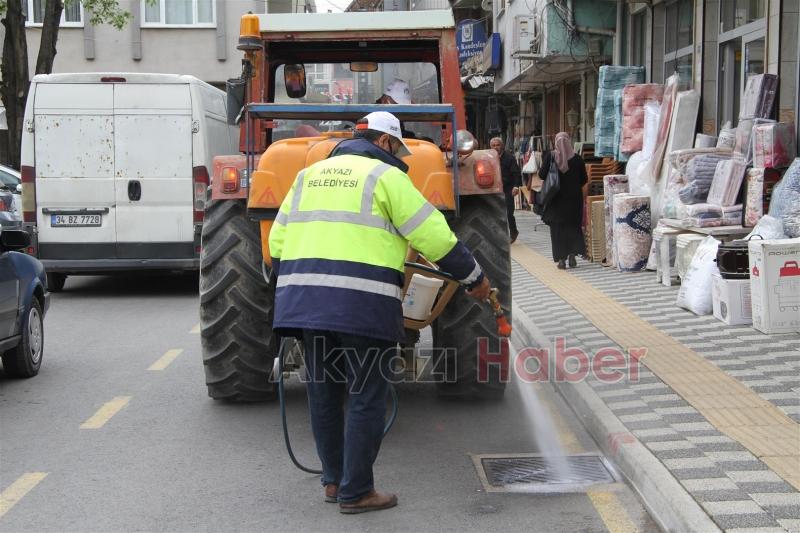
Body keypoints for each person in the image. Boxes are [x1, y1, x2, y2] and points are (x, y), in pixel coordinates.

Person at [268, 111, 491, 514]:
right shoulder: (386, 178)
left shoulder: (308, 176)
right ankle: (357, 492)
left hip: (304, 305)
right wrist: (474, 277)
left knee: (324, 391)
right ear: (385, 143)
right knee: (367, 397)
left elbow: (278, 243)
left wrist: (291, 294)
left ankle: (334, 482)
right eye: (397, 149)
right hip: (361, 304)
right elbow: (433, 235)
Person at [537, 131, 587, 269]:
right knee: (573, 228)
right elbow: (584, 180)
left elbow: (541, 175)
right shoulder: (577, 159)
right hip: (574, 202)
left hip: (555, 201)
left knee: (558, 230)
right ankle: (572, 256)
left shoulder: (551, 157)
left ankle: (561, 260)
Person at [489, 137, 522, 244]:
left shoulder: (509, 158)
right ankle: (499, 235)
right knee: (495, 213)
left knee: (508, 213)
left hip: (507, 188)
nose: (495, 147)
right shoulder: (488, 157)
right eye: (493, 145)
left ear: (502, 146)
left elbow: (516, 173)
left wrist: (516, 186)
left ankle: (513, 232)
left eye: (497, 145)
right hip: (493, 188)